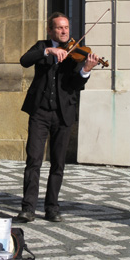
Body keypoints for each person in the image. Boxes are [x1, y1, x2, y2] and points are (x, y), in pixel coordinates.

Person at [17, 12, 99, 223]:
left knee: (58, 164)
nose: (64, 31)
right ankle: (28, 208)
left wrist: (86, 70)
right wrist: (48, 51)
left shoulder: (76, 52)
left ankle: (52, 207)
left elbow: (74, 84)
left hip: (63, 114)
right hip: (40, 113)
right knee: (33, 160)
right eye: (60, 28)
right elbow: (24, 61)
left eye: (67, 28)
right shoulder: (41, 46)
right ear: (50, 30)